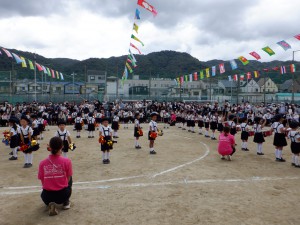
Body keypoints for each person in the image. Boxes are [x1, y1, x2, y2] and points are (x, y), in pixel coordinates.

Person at [38, 137, 73, 216]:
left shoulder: (42, 163)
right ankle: (66, 202)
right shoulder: (67, 161)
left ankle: (51, 204)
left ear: (49, 147)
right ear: (62, 146)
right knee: (70, 178)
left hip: (46, 197)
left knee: (47, 185)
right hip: (62, 195)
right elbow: (68, 179)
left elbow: (42, 181)